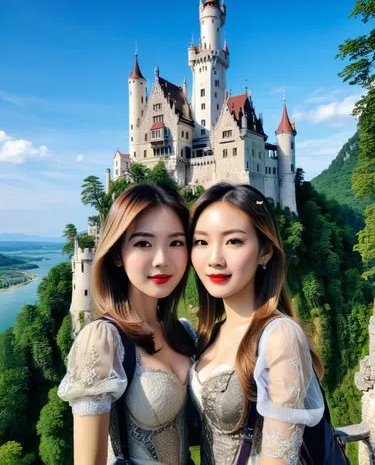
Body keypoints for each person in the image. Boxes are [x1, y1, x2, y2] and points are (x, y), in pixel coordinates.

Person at [58, 183, 196, 465]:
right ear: (118, 254)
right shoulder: (102, 340)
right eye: (144, 243)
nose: (162, 260)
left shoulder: (183, 331)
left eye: (176, 242)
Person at [188, 182, 325, 465]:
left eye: (233, 241)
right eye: (202, 241)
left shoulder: (280, 336)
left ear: (265, 251)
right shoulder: (209, 334)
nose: (214, 259)